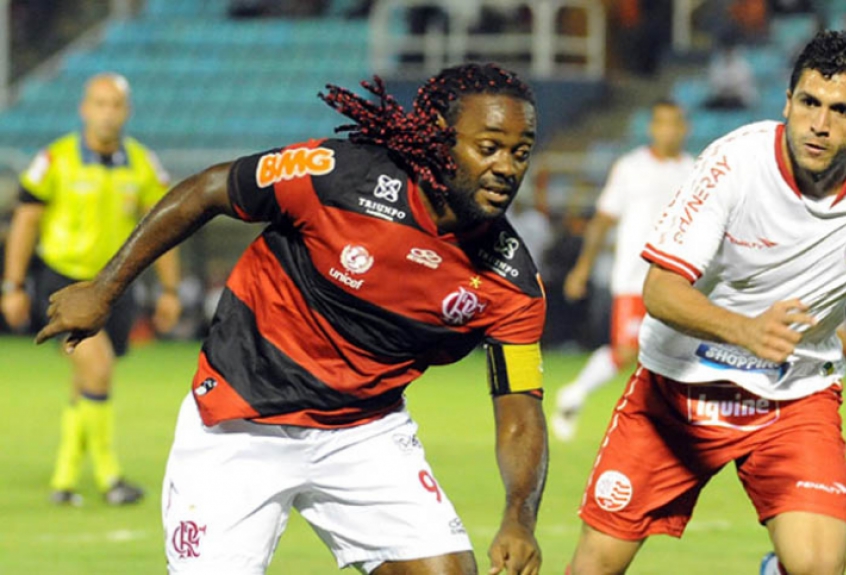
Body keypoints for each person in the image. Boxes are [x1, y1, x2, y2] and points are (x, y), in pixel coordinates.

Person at [36, 63, 547, 575]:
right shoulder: (338, 175)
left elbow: (520, 409)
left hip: (363, 430)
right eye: (489, 147)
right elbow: (212, 187)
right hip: (240, 420)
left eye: (519, 153)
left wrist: (519, 517)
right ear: (438, 137)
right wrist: (105, 288)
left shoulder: (511, 282)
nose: (506, 167)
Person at [567, 31, 846, 575]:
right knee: (594, 567)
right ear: (787, 102)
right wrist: (745, 330)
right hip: (679, 393)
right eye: (810, 102)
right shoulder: (732, 165)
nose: (820, 123)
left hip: (794, 396)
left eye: (841, 111)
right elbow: (660, 290)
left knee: (818, 567)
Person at [1, 73, 181, 506]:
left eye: (114, 105)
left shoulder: (141, 163)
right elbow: (25, 220)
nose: (106, 113)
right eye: (99, 104)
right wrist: (13, 284)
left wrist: (170, 290)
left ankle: (63, 479)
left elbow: (164, 225)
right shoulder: (56, 159)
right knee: (97, 368)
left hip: (115, 284)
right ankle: (108, 477)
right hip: (63, 282)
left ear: (126, 111)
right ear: (84, 109)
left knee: (89, 377)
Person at [553, 100, 694, 441]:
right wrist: (582, 268)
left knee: (680, 352)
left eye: (674, 124)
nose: (668, 131)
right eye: (661, 123)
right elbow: (603, 219)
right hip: (634, 277)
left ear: (684, 129)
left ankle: (670, 427)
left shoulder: (694, 170)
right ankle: (574, 394)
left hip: (679, 277)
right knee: (629, 349)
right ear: (652, 128)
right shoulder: (630, 167)